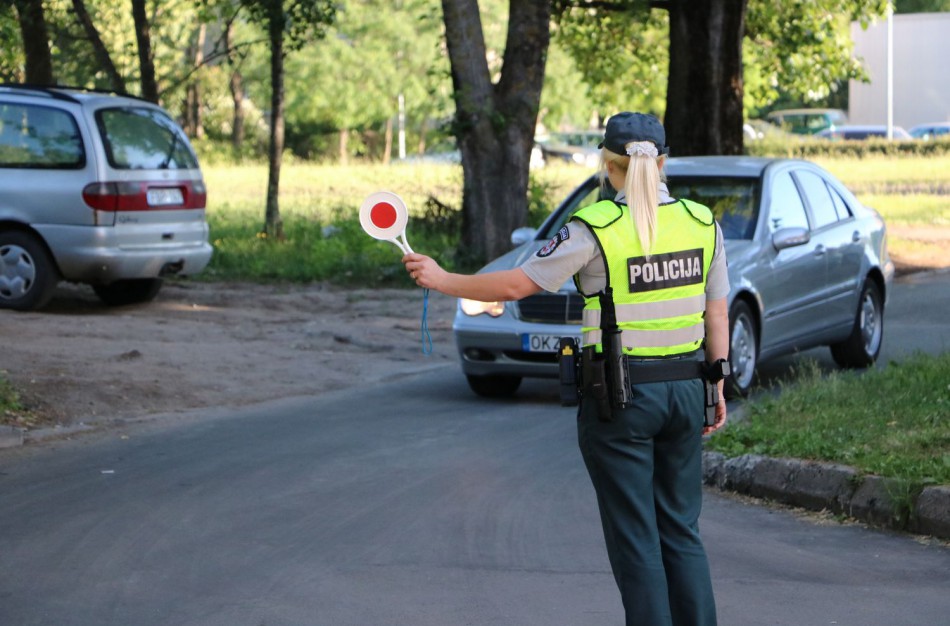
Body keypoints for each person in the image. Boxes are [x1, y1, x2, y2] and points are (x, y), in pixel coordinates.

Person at [403, 111, 730, 626]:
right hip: (688, 392)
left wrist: (444, 279)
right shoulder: (701, 222)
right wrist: (718, 382)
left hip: (622, 401)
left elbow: (514, 286)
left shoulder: (594, 229)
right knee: (682, 529)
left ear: (608, 165)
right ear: (664, 163)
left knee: (636, 535)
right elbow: (716, 311)